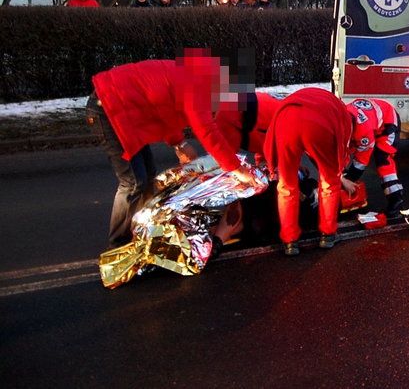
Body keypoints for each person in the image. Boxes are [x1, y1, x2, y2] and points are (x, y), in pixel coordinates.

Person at [86, 49, 259, 248]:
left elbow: (162, 108)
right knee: (133, 183)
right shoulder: (199, 84)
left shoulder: (199, 75)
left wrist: (180, 144)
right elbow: (208, 131)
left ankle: (142, 230)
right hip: (108, 109)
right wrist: (238, 169)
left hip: (122, 112)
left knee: (147, 175)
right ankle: (118, 244)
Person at [263, 88, 354, 256]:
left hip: (286, 118)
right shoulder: (343, 114)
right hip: (318, 124)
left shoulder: (321, 97)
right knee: (329, 182)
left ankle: (290, 241)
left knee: (286, 185)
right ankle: (328, 234)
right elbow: (340, 149)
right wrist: (339, 172)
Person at [342, 98, 405, 217]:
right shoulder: (342, 117)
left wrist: (349, 179)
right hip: (372, 116)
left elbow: (361, 162)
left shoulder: (364, 132)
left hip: (388, 121)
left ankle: (395, 199)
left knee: (383, 158)